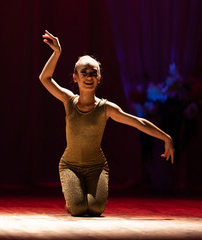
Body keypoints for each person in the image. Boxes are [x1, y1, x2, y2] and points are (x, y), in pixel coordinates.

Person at [39, 30, 175, 217]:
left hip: (96, 167)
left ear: (99, 78)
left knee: (95, 210)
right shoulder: (68, 101)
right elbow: (44, 79)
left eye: (93, 73)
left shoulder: (106, 108)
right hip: (70, 165)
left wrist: (166, 138)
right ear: (75, 77)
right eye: (84, 73)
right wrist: (57, 53)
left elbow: (138, 122)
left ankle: (84, 195)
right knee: (78, 209)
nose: (88, 77)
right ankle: (73, 201)